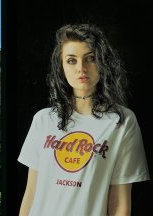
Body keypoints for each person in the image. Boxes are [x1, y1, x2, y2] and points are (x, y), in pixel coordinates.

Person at [18, 24, 148, 216]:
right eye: (71, 60)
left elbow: (120, 203)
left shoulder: (122, 122)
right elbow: (30, 194)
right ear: (61, 67)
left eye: (91, 59)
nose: (81, 68)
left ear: (103, 63)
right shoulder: (43, 120)